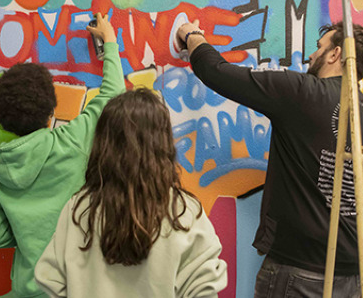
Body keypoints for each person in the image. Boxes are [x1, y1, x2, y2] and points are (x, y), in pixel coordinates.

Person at [175, 20, 363, 297]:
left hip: (298, 273)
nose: (311, 56)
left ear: (335, 54)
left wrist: (190, 34)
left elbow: (217, 72)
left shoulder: (302, 92)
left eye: (319, 48)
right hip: (351, 276)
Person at [0, 12, 125, 298]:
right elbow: (114, 94)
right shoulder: (69, 142)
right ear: (51, 112)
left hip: (28, 287)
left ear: (2, 120)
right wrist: (109, 40)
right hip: (76, 285)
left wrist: (27, 233)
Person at [34, 88, 228, 297]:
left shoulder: (80, 208)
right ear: (162, 144)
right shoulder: (184, 212)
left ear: (104, 143)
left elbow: (50, 277)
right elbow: (204, 289)